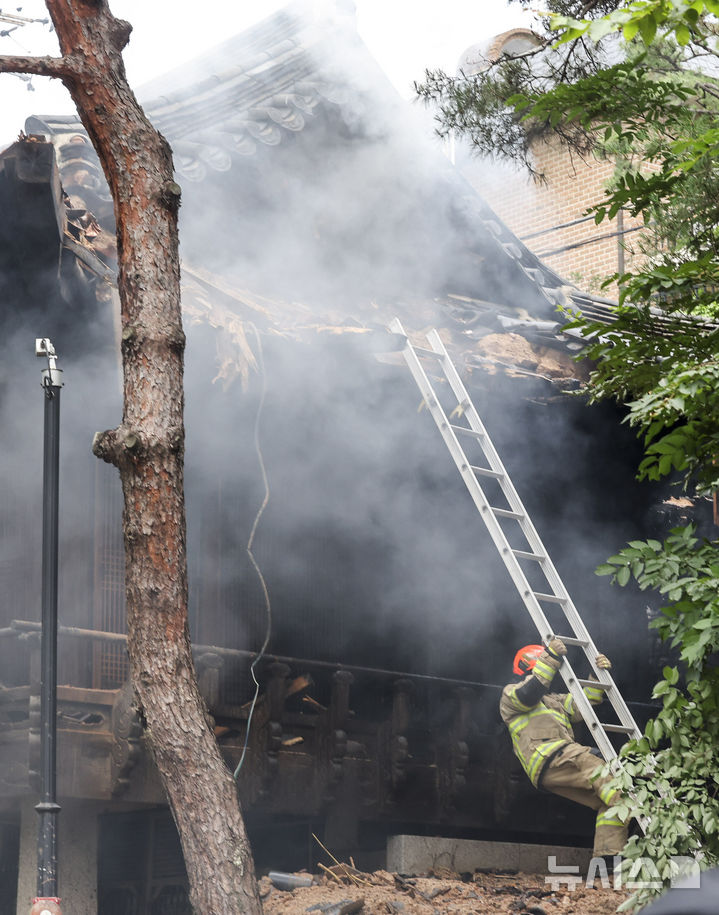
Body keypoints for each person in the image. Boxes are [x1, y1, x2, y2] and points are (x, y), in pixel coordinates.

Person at [499, 637, 627, 858]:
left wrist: (598, 676)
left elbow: (585, 704)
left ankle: (608, 863)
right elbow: (529, 693)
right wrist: (552, 657)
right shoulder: (510, 694)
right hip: (549, 755)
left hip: (557, 762)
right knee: (605, 772)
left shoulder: (553, 700)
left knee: (614, 800)